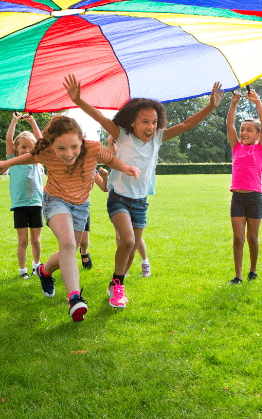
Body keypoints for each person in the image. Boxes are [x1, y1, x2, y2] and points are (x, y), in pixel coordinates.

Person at [65, 74, 222, 308]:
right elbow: (98, 116)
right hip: (119, 197)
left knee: (130, 252)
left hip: (140, 202)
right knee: (127, 241)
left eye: (155, 121)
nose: (151, 126)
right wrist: (78, 100)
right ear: (133, 123)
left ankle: (115, 285)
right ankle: (118, 285)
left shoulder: (158, 138)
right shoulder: (122, 135)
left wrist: (210, 106)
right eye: (145, 121)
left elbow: (186, 125)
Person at [0, 115, 139, 322]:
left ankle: (44, 271)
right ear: (51, 146)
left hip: (81, 206)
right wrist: (7, 163)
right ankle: (75, 298)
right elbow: (29, 157)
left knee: (70, 249)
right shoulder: (45, 152)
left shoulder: (93, 148)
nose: (69, 154)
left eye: (74, 147)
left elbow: (110, 159)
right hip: (55, 201)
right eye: (61, 149)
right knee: (67, 244)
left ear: (82, 140)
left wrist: (127, 169)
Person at [225, 89, 262, 285]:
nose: (243, 132)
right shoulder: (236, 147)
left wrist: (257, 101)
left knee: (252, 237)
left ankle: (253, 270)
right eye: (243, 129)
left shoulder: (260, 149)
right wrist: (233, 103)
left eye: (249, 130)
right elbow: (229, 124)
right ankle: (238, 275)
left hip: (254, 198)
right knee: (238, 238)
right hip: (238, 199)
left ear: (258, 135)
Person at [4, 112, 43, 279]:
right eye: (23, 147)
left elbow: (42, 141)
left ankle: (36, 266)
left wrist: (32, 121)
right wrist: (14, 120)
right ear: (16, 149)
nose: (27, 150)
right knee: (23, 241)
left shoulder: (36, 159)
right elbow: (8, 139)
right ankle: (22, 271)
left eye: (30, 147)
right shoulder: (12, 159)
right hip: (20, 205)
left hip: (36, 204)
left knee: (36, 240)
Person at [107, 135, 152, 278]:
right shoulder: (115, 154)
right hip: (119, 197)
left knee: (133, 239)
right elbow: (110, 140)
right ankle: (121, 272)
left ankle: (145, 262)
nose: (114, 145)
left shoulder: (132, 150)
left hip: (136, 197)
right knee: (123, 237)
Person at [79, 167, 109, 270]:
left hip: (83, 206)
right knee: (69, 242)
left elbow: (105, 188)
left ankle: (84, 251)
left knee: (84, 242)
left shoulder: (90, 167)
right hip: (65, 207)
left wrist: (105, 177)